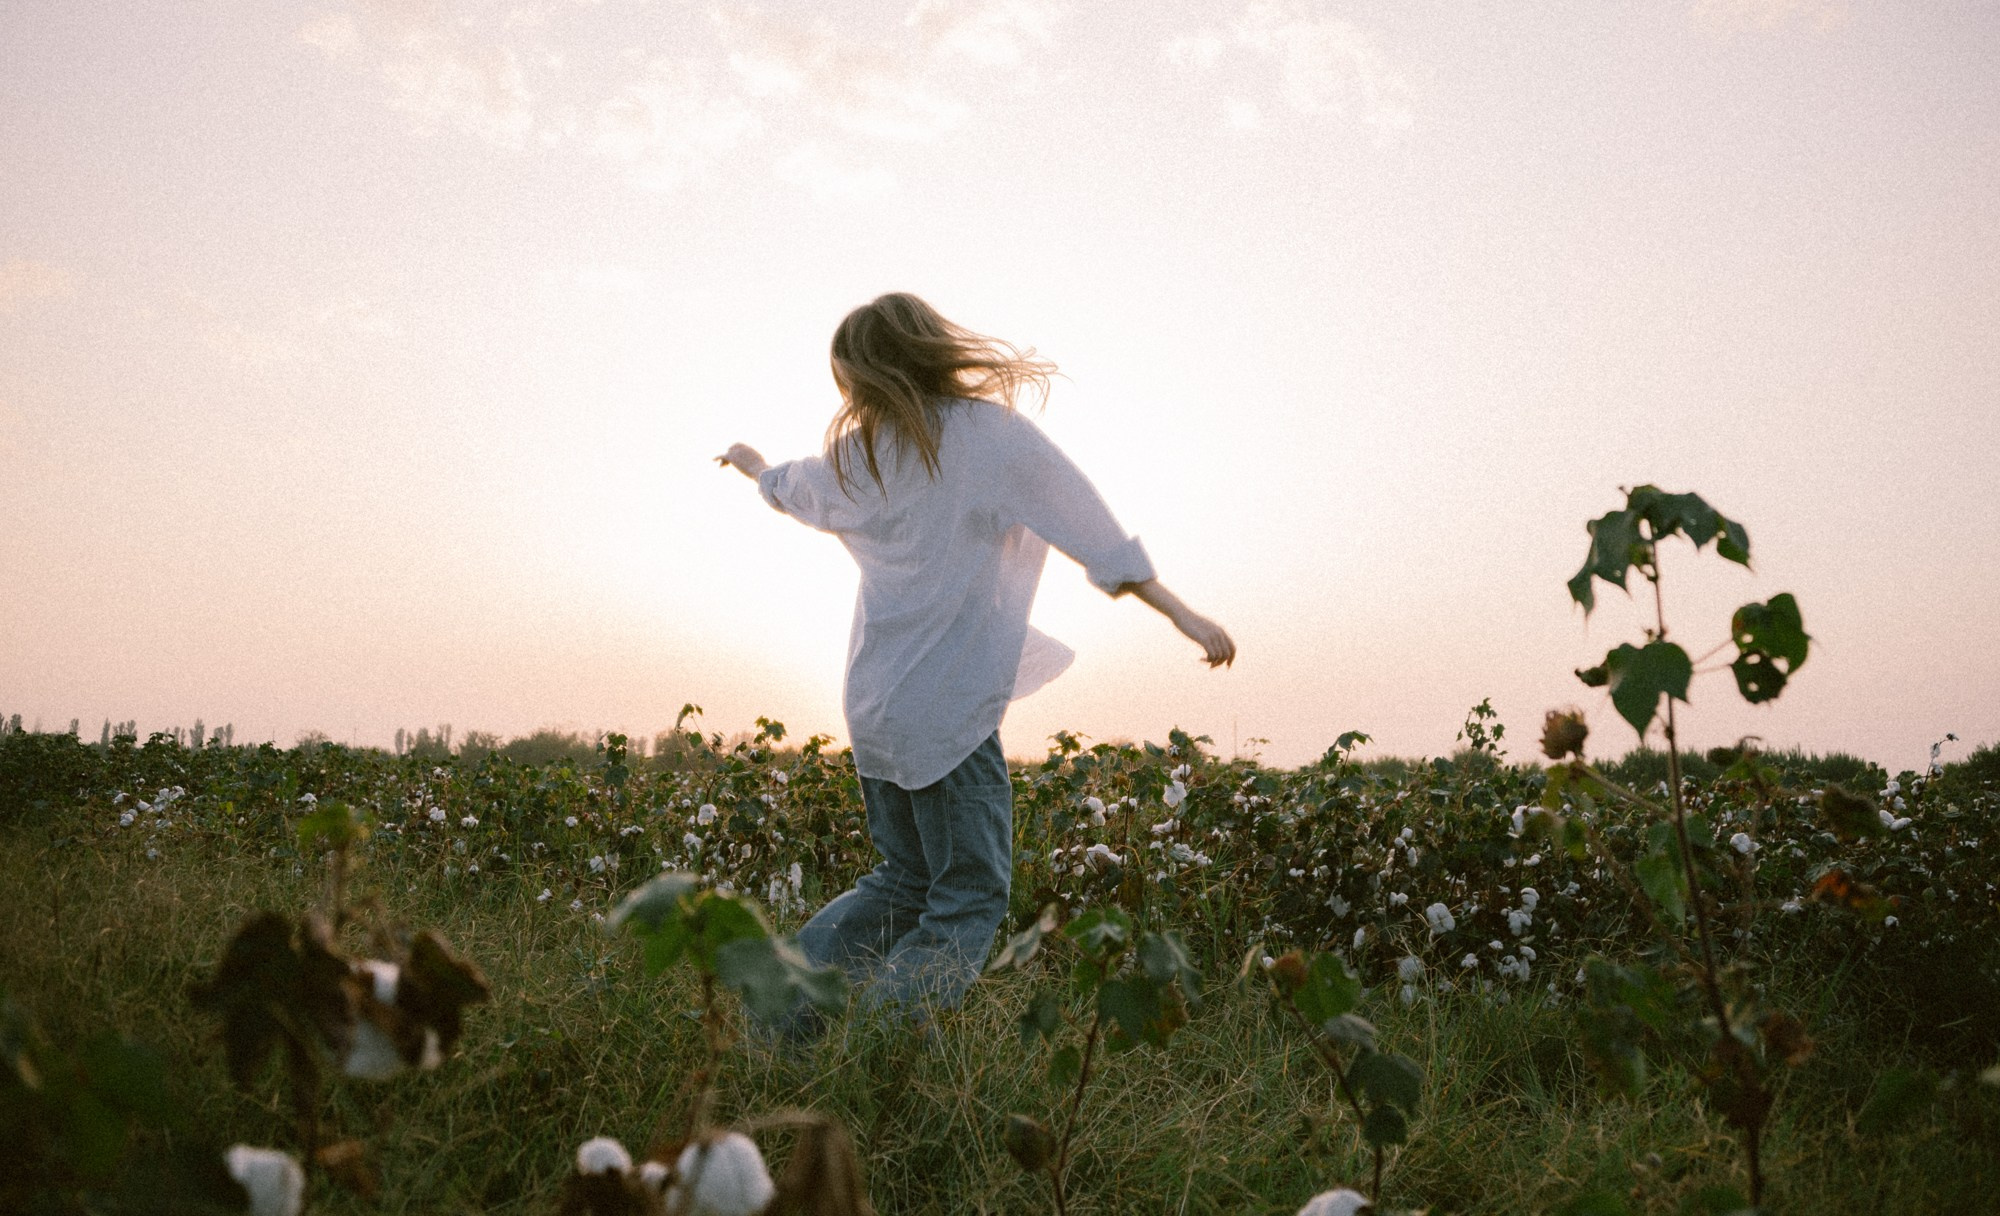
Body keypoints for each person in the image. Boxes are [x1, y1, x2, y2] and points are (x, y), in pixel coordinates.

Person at [716, 292, 1234, 1026]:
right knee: (969, 899)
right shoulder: (987, 435)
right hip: (946, 714)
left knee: (903, 882)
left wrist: (753, 464)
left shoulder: (860, 454)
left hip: (874, 706)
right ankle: (885, 1049)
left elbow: (790, 487)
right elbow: (1087, 520)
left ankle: (779, 1010)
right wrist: (1181, 611)